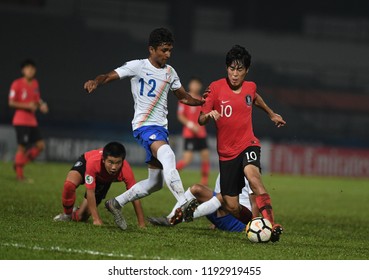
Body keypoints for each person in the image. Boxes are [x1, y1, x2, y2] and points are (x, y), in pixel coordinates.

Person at [83, 27, 204, 230]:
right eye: (164, 50)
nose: (167, 54)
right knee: (168, 155)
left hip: (160, 129)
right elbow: (108, 76)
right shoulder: (137, 66)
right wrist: (95, 81)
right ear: (151, 49)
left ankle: (116, 203)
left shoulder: (170, 72)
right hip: (145, 126)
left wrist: (203, 101)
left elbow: (184, 97)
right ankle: (183, 203)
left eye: (170, 50)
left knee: (155, 183)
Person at [198, 45, 286, 242]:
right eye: (231, 68)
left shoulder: (250, 86)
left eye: (239, 70)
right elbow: (201, 119)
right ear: (226, 68)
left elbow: (254, 98)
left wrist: (271, 114)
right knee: (231, 206)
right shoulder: (215, 87)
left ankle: (270, 225)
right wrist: (208, 116)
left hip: (248, 144)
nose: (235, 74)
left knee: (253, 178)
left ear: (247, 70)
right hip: (227, 153)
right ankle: (255, 224)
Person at [53, 142, 145, 228]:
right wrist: (96, 219)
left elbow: (135, 196)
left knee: (81, 217)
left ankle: (76, 212)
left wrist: (141, 224)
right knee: (69, 185)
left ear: (122, 161)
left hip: (103, 181)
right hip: (86, 164)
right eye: (110, 162)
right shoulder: (93, 162)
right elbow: (90, 191)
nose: (114, 167)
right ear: (103, 160)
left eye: (118, 163)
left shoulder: (126, 169)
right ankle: (67, 214)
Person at [148, 174, 258, 233]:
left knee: (225, 195)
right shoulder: (226, 170)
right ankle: (171, 217)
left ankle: (179, 218)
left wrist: (253, 226)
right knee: (197, 189)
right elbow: (216, 199)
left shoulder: (249, 173)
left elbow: (255, 204)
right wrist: (216, 223)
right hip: (223, 216)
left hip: (240, 222)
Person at [8, 59, 49, 181]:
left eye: (32, 68)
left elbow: (37, 99)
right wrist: (27, 106)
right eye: (27, 68)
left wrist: (42, 106)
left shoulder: (35, 83)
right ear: (23, 70)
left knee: (40, 145)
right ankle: (20, 176)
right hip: (21, 120)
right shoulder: (17, 84)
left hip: (32, 120)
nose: (30, 71)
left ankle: (19, 164)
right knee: (22, 147)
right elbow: (11, 102)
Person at [176, 77, 210, 186]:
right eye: (193, 84)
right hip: (189, 133)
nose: (195, 86)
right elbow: (180, 116)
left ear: (200, 86)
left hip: (201, 133)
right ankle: (171, 175)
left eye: (197, 84)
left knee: (205, 156)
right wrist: (191, 125)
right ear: (190, 85)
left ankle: (204, 181)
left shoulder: (201, 100)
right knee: (187, 159)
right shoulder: (184, 99)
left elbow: (204, 115)